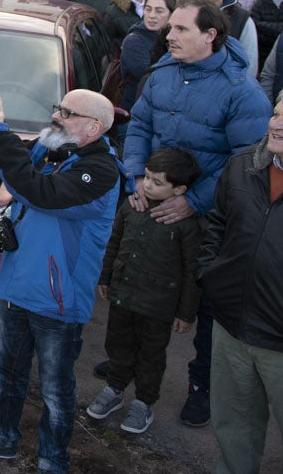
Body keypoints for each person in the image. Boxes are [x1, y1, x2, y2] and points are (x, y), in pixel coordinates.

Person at [0, 88, 122, 474]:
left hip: (58, 301)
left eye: (67, 112)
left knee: (55, 389)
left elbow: (39, 192)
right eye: (58, 108)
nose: (57, 116)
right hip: (17, 286)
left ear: (94, 127)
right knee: (8, 375)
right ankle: (1, 438)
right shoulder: (50, 149)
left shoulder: (100, 172)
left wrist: (0, 129)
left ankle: (53, 459)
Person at [121, 0, 271, 426]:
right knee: (143, 281)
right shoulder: (163, 71)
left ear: (211, 35)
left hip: (207, 215)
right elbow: (140, 126)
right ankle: (125, 369)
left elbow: (249, 158)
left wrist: (194, 200)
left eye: (181, 29)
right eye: (170, 28)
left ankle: (200, 386)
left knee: (203, 303)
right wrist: (136, 176)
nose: (169, 36)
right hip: (151, 198)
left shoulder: (241, 90)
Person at [201, 85, 283, 474]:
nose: (275, 124)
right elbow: (216, 225)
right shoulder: (242, 166)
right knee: (234, 432)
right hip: (231, 328)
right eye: (276, 113)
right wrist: (211, 276)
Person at [87, 148, 203, 435]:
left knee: (151, 355)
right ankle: (114, 390)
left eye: (158, 182)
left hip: (158, 306)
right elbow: (113, 244)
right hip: (123, 295)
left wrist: (186, 313)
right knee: (117, 345)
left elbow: (192, 272)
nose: (148, 185)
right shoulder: (131, 206)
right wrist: (105, 277)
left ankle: (143, 402)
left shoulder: (186, 224)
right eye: (147, 177)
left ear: (180, 190)